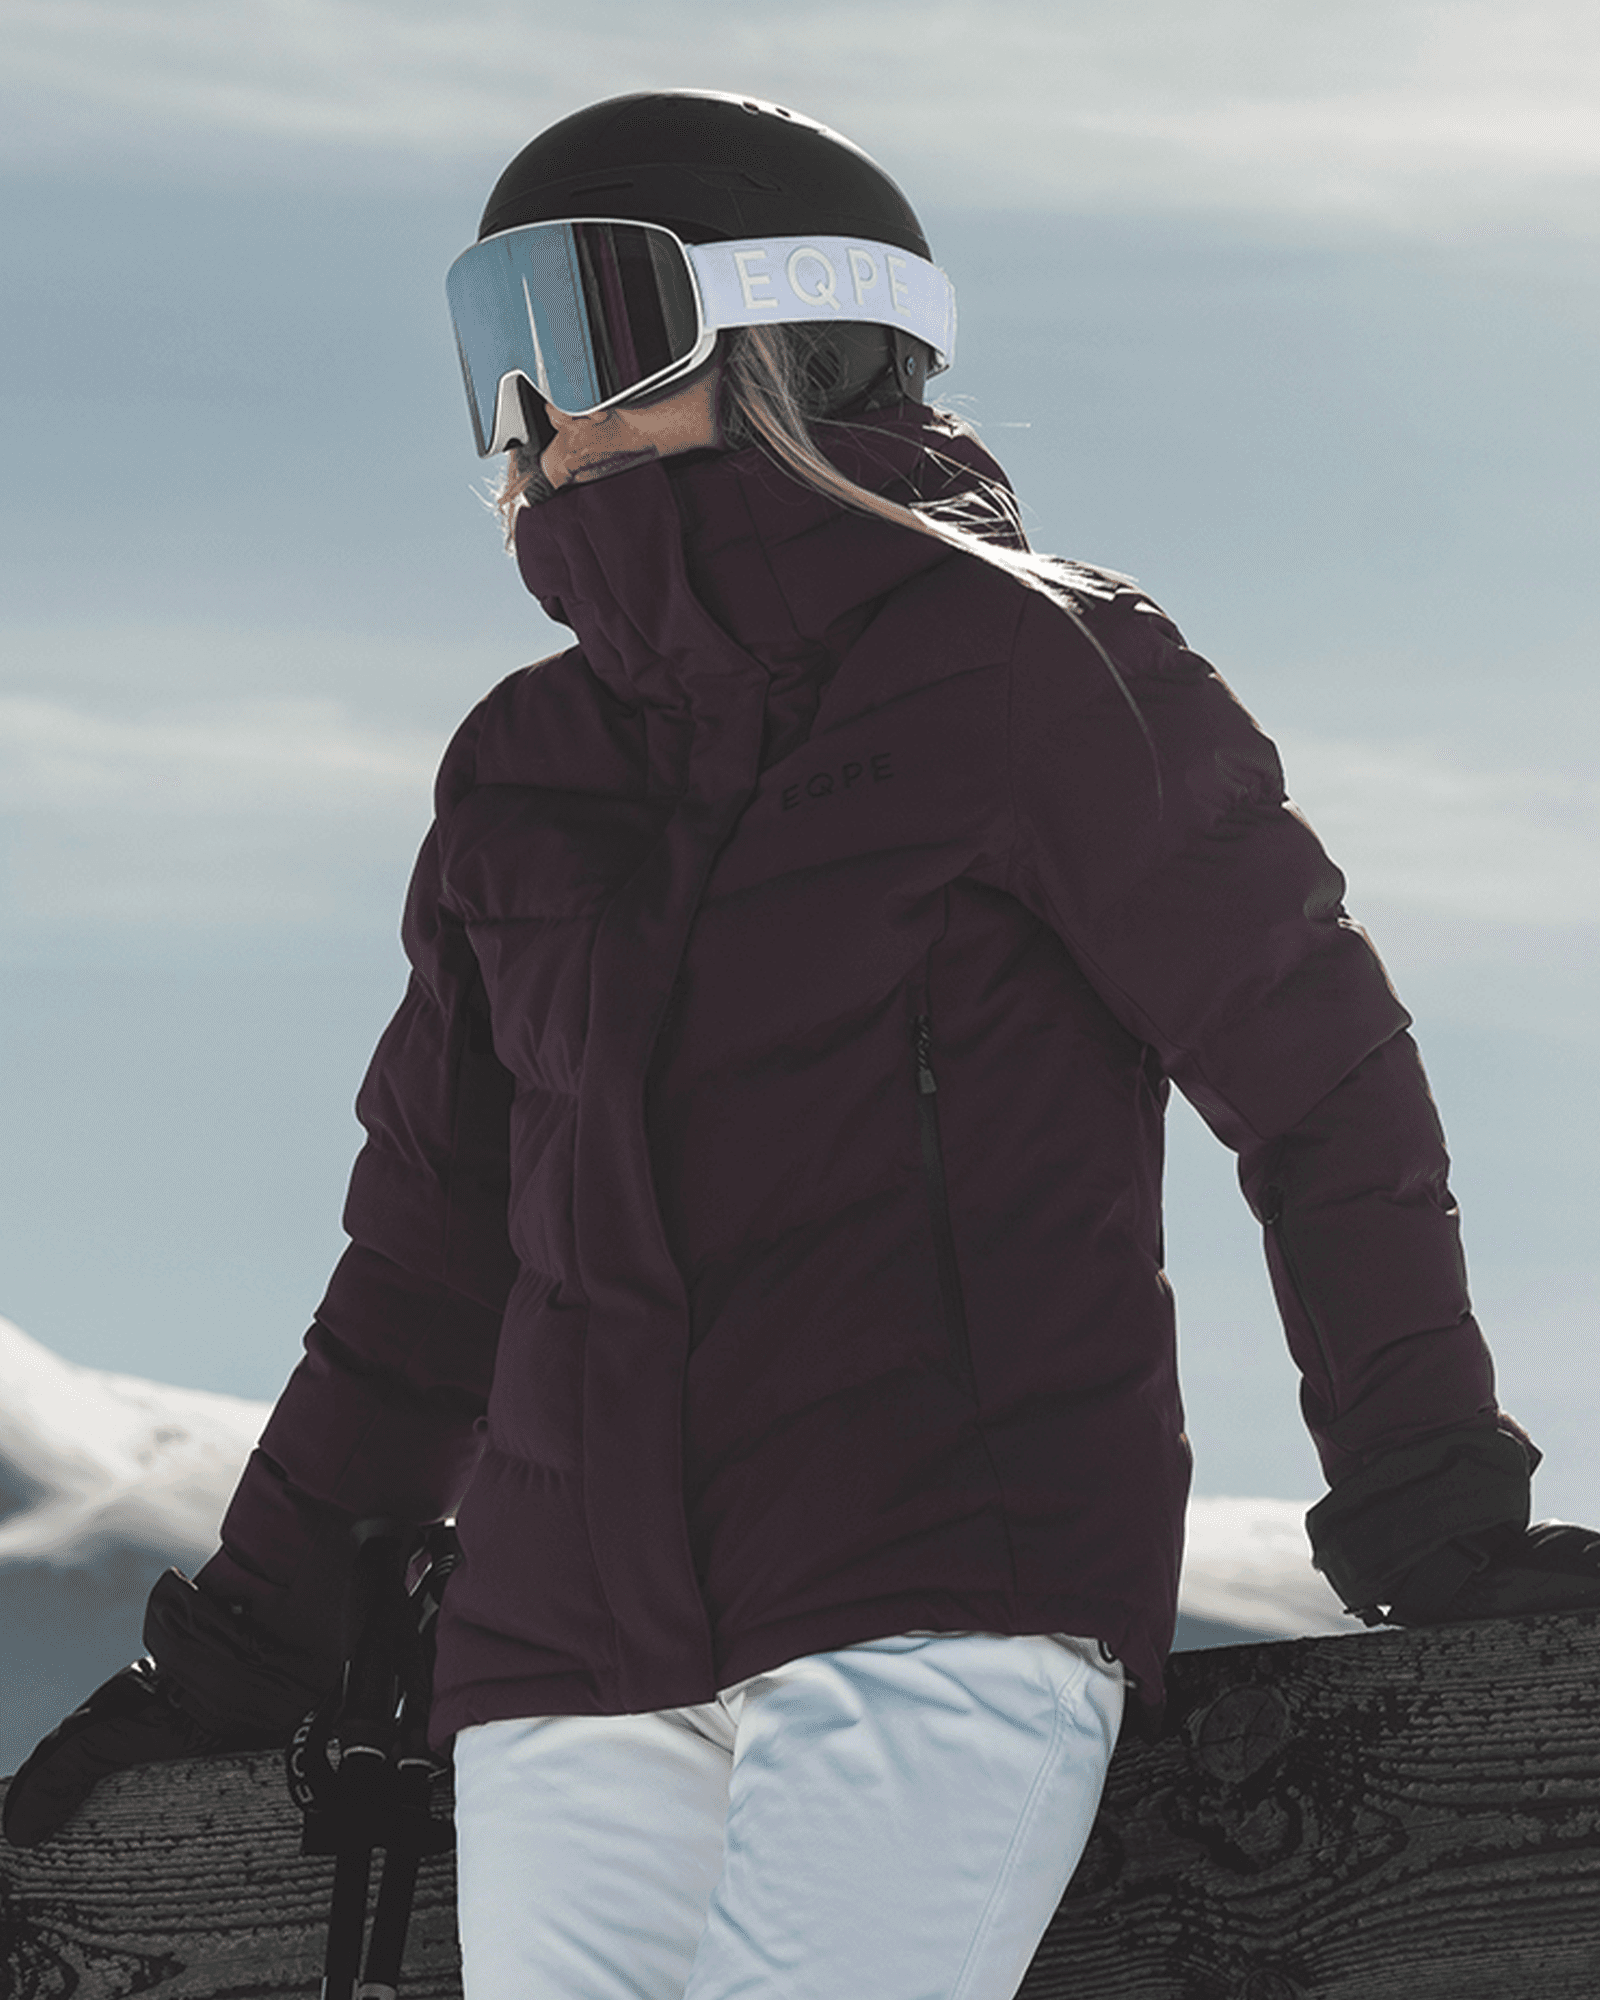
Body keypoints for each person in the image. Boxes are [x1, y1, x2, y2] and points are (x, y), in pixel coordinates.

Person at [7, 87, 1600, 2000]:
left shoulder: (1039, 669)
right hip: (559, 1671)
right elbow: (423, 1270)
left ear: (792, 335)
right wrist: (242, 1659)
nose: (531, 405)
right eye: (489, 346)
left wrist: (1429, 1506)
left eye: (584, 319)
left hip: (929, 1602)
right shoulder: (523, 769)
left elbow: (1325, 1088)